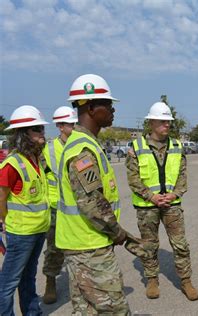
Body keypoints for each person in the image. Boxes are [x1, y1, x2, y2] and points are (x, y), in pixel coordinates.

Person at [55, 74, 131, 314]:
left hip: (82, 243)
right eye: (107, 105)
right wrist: (116, 231)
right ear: (90, 108)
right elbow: (92, 204)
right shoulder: (82, 150)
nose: (113, 110)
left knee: (86, 311)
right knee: (114, 310)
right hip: (89, 246)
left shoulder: (86, 143)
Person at [125, 101, 198, 301]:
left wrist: (175, 194)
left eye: (168, 121)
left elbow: (183, 175)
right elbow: (133, 179)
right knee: (149, 246)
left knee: (180, 244)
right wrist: (152, 196)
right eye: (162, 121)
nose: (167, 125)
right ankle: (151, 279)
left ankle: (186, 280)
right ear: (151, 122)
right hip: (147, 207)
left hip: (172, 205)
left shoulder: (177, 146)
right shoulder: (136, 147)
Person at [0, 105, 50, 315]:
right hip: (21, 234)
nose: (42, 134)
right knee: (8, 283)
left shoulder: (36, 160)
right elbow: (0, 199)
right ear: (24, 134)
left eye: (41, 129)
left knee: (28, 278)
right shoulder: (12, 165)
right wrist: (5, 223)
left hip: (38, 230)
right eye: (37, 129)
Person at [41, 106, 77, 304]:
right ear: (60, 126)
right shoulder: (48, 149)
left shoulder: (80, 145)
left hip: (77, 206)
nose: (73, 127)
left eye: (74, 123)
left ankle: (78, 282)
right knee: (54, 248)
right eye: (70, 124)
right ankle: (50, 281)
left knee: (77, 247)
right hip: (55, 206)